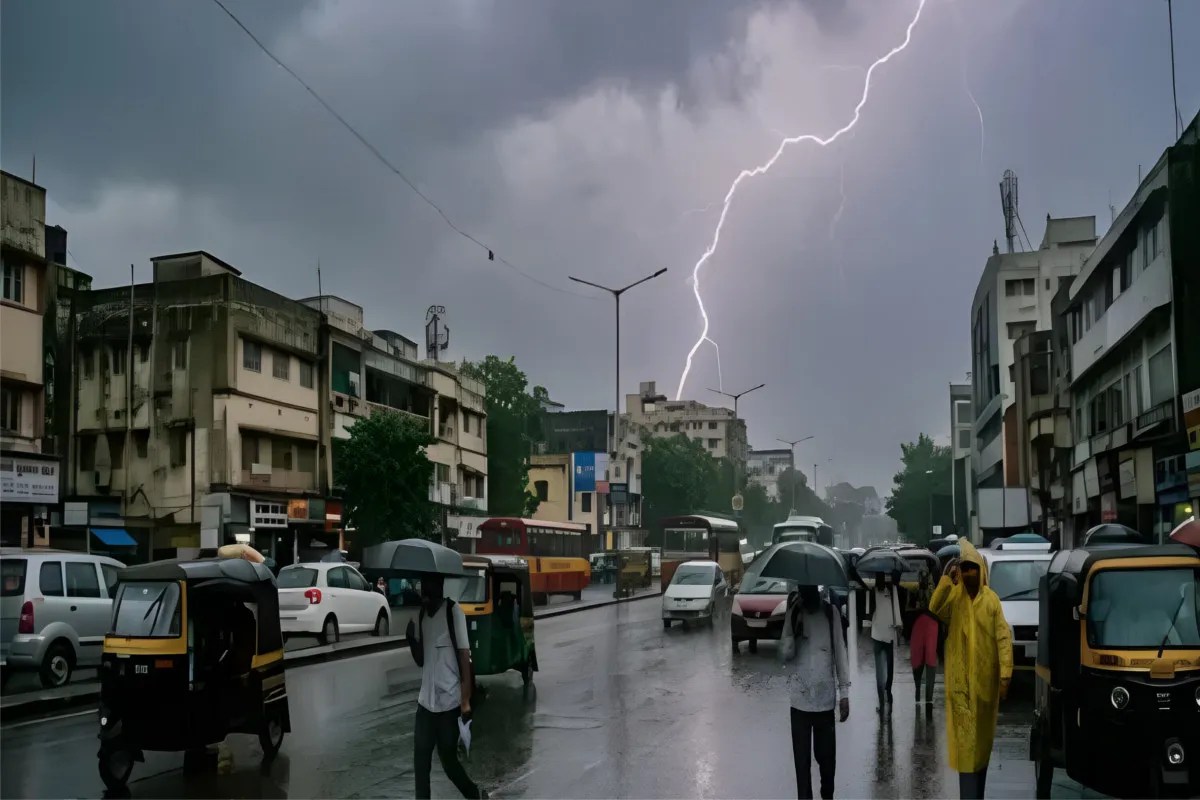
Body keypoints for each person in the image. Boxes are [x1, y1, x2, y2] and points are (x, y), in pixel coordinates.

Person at [928, 541, 1013, 800]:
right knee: (966, 749)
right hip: (961, 690)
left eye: (972, 568)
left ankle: (977, 795)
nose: (968, 574)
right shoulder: (954, 597)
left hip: (985, 688)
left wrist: (1005, 675)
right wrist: (945, 580)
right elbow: (934, 608)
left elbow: (1002, 638)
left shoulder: (991, 601)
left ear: (980, 570)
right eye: (964, 569)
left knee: (981, 750)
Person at [412, 574, 488, 800]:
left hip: (449, 704)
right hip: (426, 703)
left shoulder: (453, 612)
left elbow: (465, 657)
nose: (424, 590)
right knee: (421, 761)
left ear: (438, 587)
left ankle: (475, 795)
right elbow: (420, 660)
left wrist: (465, 700)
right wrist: (410, 639)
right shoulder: (422, 615)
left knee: (448, 761)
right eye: (422, 585)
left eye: (428, 585)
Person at [779, 585, 851, 800]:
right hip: (799, 702)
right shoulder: (793, 613)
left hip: (825, 700)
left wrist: (844, 693)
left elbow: (840, 651)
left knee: (827, 762)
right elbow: (783, 654)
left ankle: (827, 796)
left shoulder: (831, 613)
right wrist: (794, 638)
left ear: (816, 590)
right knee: (801, 765)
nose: (805, 595)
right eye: (802, 590)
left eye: (808, 590)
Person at [869, 572, 901, 712]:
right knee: (889, 667)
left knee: (880, 671)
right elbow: (896, 611)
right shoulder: (892, 590)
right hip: (887, 634)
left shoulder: (874, 592)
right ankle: (888, 692)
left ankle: (882, 700)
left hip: (878, 635)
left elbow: (869, 614)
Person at [910, 570, 939, 705]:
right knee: (921, 659)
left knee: (928, 659)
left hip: (927, 623)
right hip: (922, 623)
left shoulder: (932, 590)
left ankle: (927, 696)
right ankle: (920, 693)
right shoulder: (916, 590)